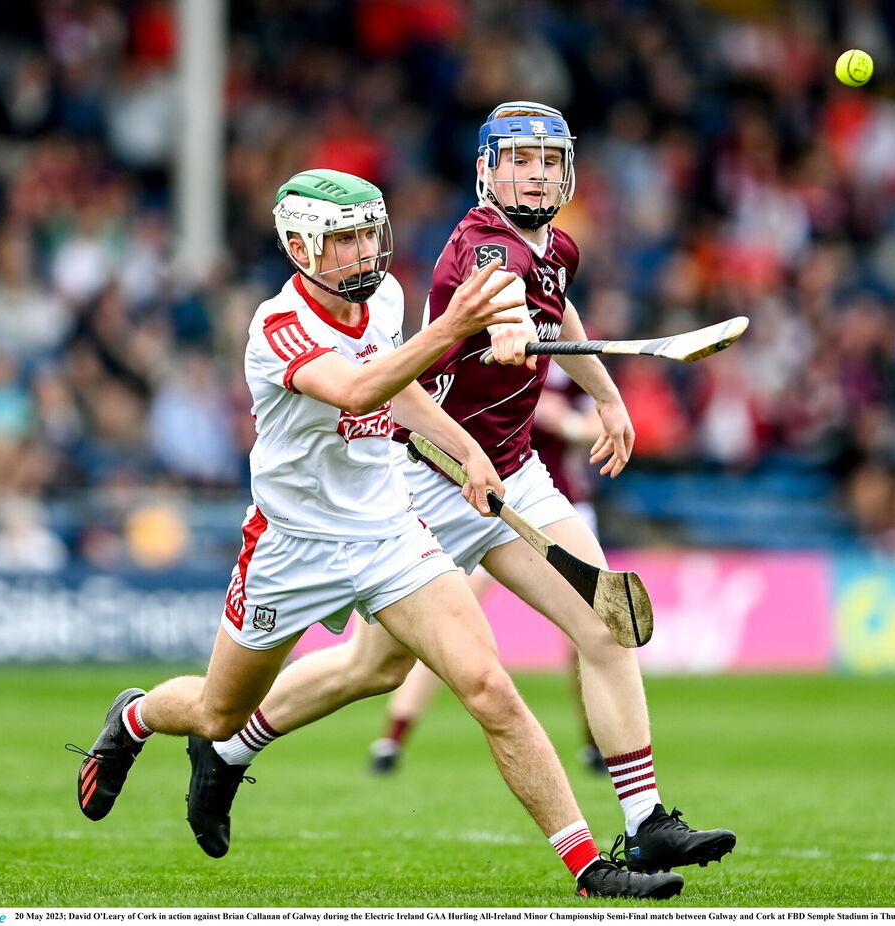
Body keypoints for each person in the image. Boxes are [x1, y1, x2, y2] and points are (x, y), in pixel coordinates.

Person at [69, 168, 683, 901]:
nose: (364, 253)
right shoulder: (278, 327)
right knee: (216, 710)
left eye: (369, 234)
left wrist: (468, 452)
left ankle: (589, 868)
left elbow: (402, 390)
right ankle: (136, 718)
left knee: (488, 687)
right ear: (298, 246)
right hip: (291, 548)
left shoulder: (386, 298)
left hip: (389, 532)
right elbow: (360, 389)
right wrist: (453, 328)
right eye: (343, 240)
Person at [191, 103, 736, 875]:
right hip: (426, 478)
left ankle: (645, 818)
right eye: (519, 160)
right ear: (486, 171)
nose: (536, 173)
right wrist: (505, 327)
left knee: (604, 621)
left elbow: (554, 302)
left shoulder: (555, 247)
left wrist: (607, 395)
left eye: (549, 162)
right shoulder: (481, 246)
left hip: (511, 470)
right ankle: (230, 749)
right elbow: (501, 293)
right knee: (372, 670)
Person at [367, 372, 608, 776]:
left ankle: (597, 743)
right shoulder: (474, 348)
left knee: (585, 632)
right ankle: (392, 739)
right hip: (473, 503)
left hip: (548, 503)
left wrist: (562, 421)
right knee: (446, 626)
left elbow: (598, 423)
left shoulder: (563, 361)